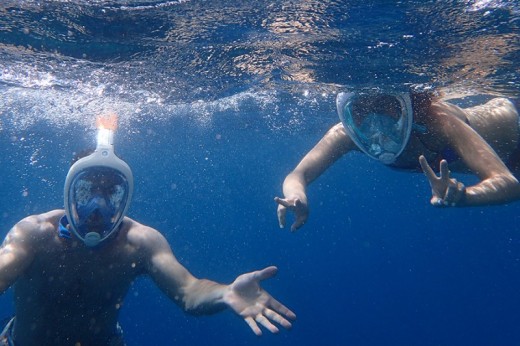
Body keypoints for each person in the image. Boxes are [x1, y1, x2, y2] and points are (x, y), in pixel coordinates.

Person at [0, 114, 296, 346]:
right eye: (87, 192)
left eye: (110, 194)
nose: (97, 209)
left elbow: (190, 292)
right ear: (68, 192)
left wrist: (225, 293)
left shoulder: (139, 243)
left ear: (125, 198)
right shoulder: (35, 234)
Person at [275, 89, 520, 231]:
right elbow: (299, 175)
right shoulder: (348, 134)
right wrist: (297, 196)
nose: (374, 119)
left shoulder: (440, 123)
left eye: (384, 104)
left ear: (409, 104)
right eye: (361, 110)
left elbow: (507, 182)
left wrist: (467, 196)